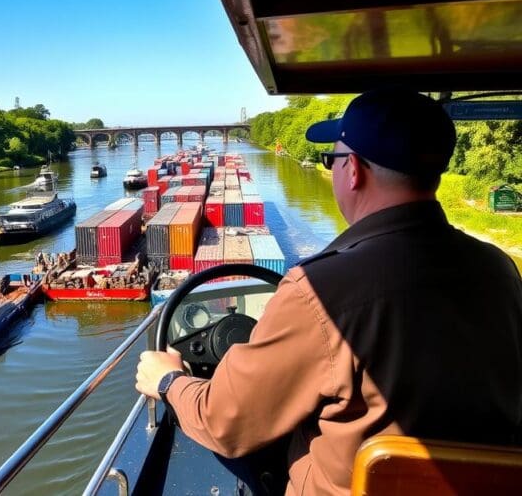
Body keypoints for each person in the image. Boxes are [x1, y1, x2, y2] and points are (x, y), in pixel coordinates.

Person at [136, 88, 522, 495]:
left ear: (352, 169)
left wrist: (169, 381)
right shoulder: (499, 268)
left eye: (331, 159)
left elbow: (225, 423)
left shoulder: (320, 291)